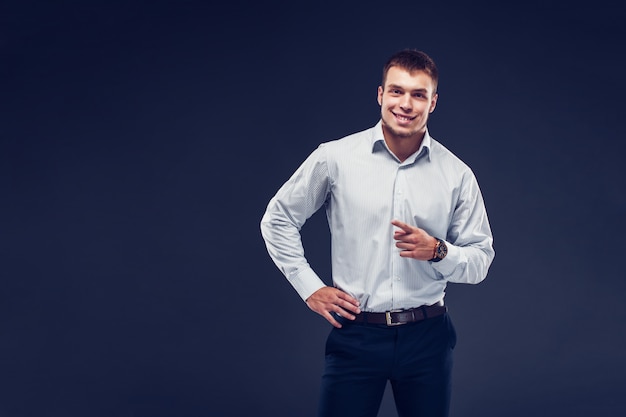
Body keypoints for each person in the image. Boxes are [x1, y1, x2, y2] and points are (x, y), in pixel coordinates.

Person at [260, 49, 495, 417]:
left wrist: (438, 250)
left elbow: (480, 261)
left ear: (432, 102)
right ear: (380, 95)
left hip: (428, 338)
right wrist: (309, 286)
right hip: (357, 335)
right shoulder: (334, 157)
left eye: (418, 94)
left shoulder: (457, 174)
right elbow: (277, 219)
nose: (406, 103)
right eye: (397, 91)